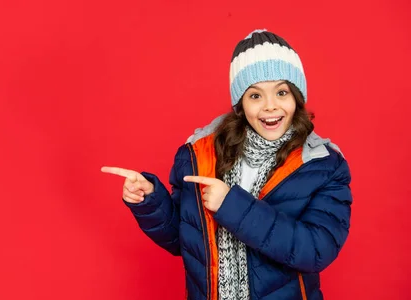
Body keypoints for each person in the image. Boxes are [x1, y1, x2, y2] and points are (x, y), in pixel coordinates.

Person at [101, 29, 352, 300]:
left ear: (297, 98)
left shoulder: (323, 165)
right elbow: (183, 240)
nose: (270, 106)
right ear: (240, 105)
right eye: (255, 95)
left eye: (282, 92)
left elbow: (316, 251)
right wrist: (150, 200)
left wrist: (231, 206)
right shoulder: (198, 155)